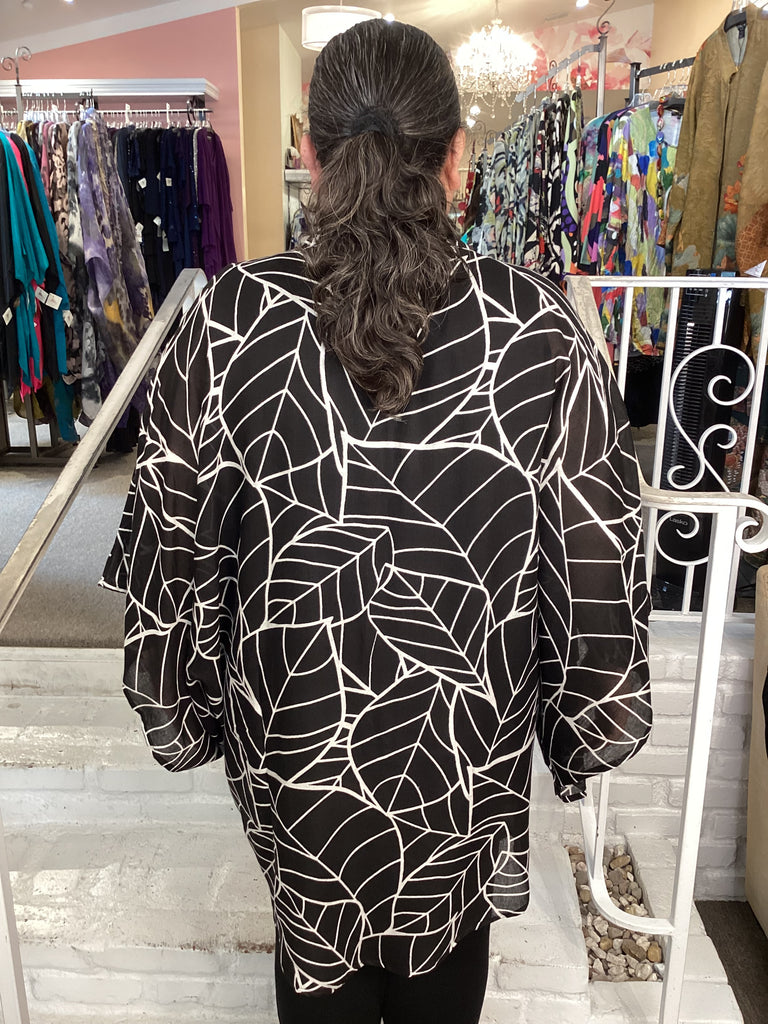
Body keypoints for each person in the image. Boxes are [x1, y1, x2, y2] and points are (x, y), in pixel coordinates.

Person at [101, 18, 652, 1024]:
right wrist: (583, 729)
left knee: (313, 966)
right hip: (465, 759)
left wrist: (181, 709)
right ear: (456, 158)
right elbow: (593, 561)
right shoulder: (538, 329)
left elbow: (172, 550)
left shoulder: (228, 322)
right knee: (448, 973)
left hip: (297, 754)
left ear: (312, 155)